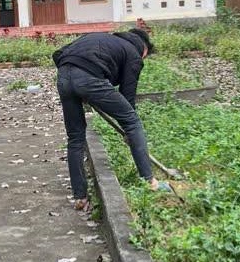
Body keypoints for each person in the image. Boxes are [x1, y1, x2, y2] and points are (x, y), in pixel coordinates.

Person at [53, 28, 169, 211]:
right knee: (132, 120)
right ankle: (151, 182)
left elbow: (58, 54)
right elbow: (128, 98)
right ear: (144, 48)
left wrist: (75, 82)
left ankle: (80, 197)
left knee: (75, 138)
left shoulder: (105, 40)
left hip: (63, 77)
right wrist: (129, 131)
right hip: (88, 79)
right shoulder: (134, 54)